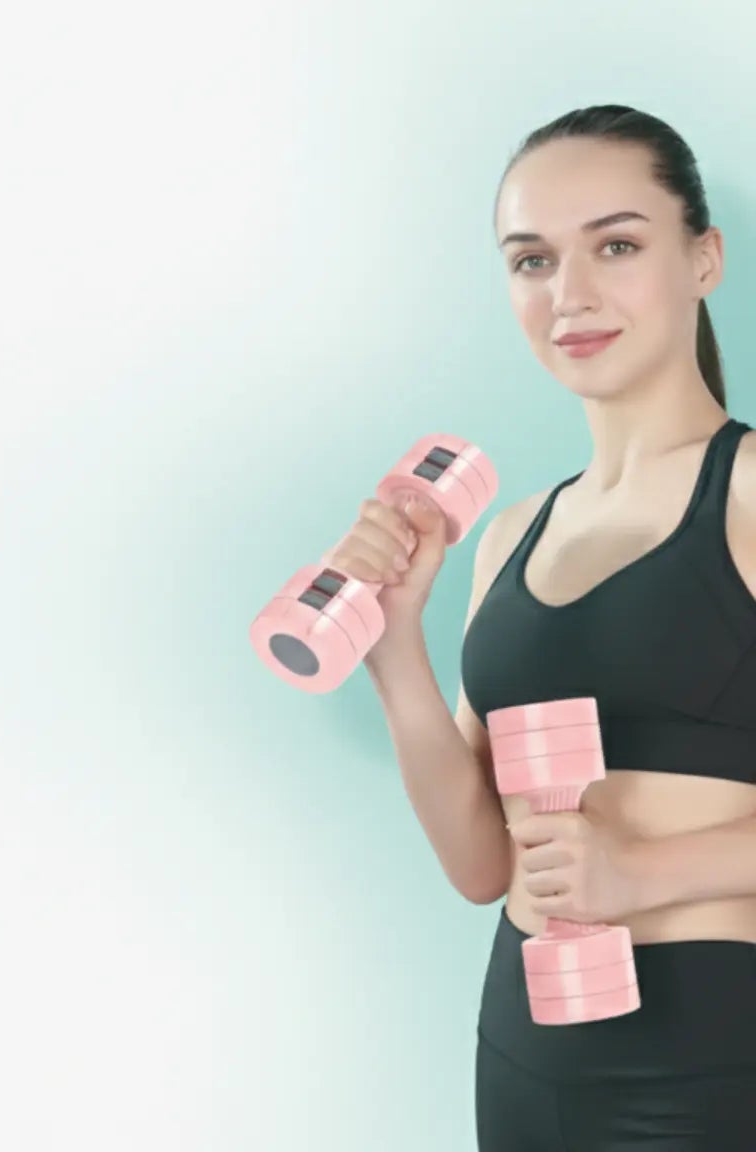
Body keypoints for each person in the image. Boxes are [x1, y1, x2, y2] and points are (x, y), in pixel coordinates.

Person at [328, 104, 756, 1148]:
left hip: (707, 1066)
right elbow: (482, 866)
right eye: (532, 260)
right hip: (523, 1060)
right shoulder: (512, 535)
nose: (570, 294)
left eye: (617, 245)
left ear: (703, 258)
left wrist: (642, 872)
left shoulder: (747, 494)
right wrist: (392, 647)